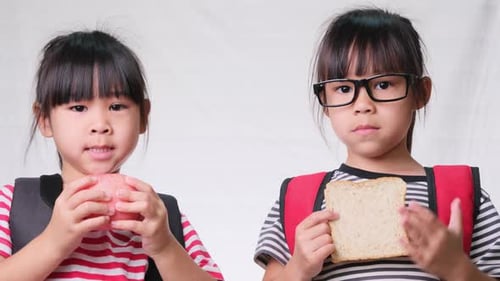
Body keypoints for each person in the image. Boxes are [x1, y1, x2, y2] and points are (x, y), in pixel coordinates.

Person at [254, 7, 500, 281]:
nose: (363, 105)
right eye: (344, 88)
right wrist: (298, 268)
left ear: (421, 93)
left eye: (383, 85)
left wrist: (457, 268)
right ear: (325, 101)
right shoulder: (297, 200)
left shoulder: (463, 195)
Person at [0, 30, 223, 281]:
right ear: (45, 120)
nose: (100, 124)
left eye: (116, 106)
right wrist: (53, 242)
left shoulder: (160, 214)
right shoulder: (14, 204)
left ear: (143, 116)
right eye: (78, 107)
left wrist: (164, 247)